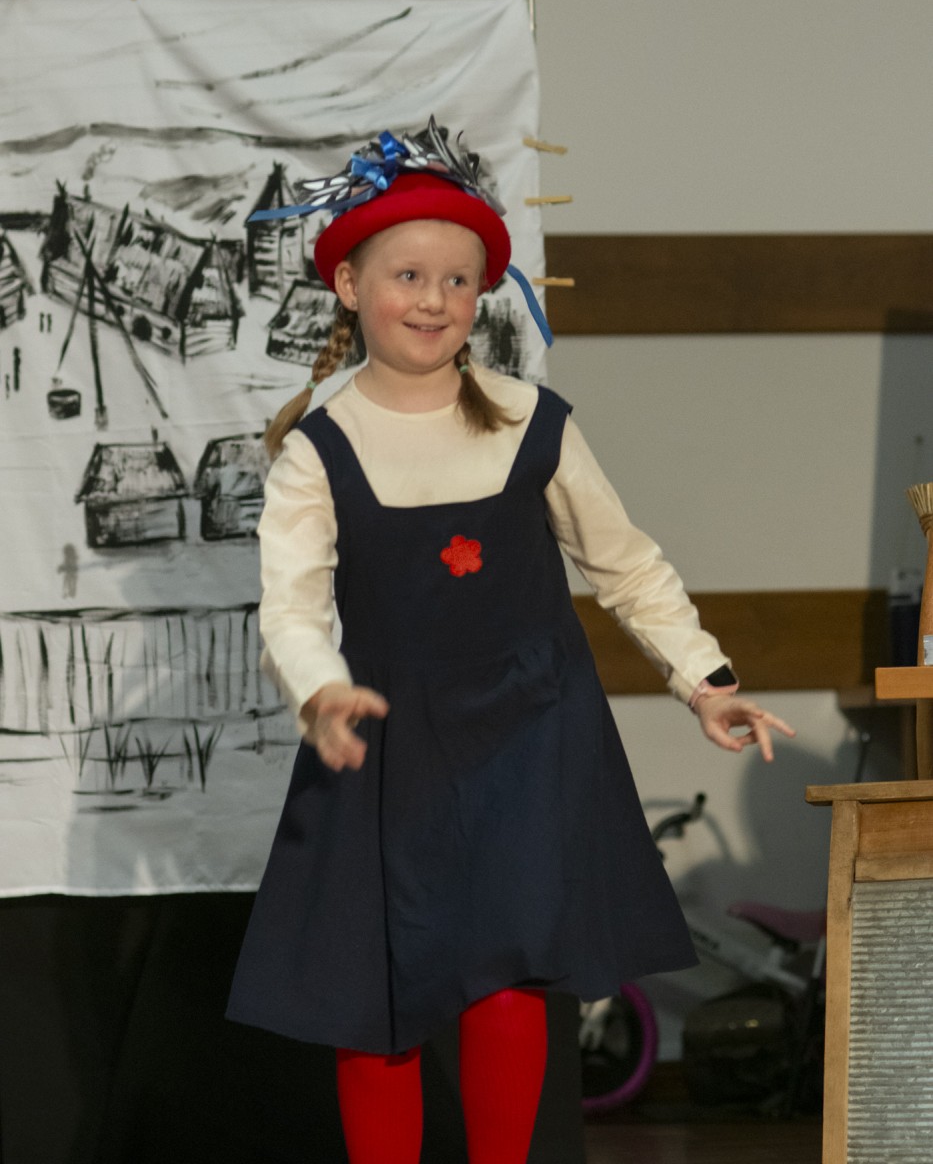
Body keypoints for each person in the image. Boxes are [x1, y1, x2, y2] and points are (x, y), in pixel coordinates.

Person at [227, 121, 795, 1164]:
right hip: (392, 740)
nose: (434, 299)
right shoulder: (319, 446)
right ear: (349, 284)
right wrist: (319, 688)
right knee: (380, 995)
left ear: (482, 292)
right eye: (408, 275)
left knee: (510, 975)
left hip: (530, 732)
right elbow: (292, 607)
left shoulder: (532, 420)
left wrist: (705, 681)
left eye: (457, 279)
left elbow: (626, 564)